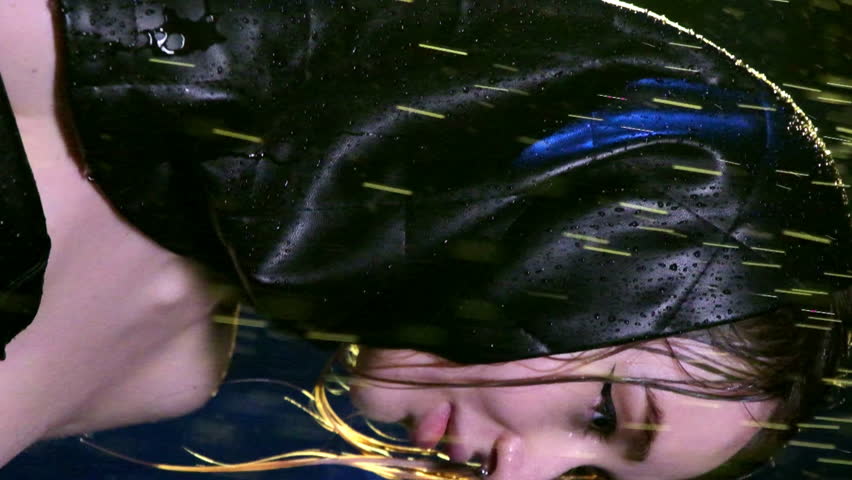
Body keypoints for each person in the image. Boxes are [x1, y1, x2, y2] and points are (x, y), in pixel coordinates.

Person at [0, 0, 849, 479]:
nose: (519, 476)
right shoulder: (54, 29)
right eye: (601, 413)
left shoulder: (162, 379)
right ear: (583, 234)